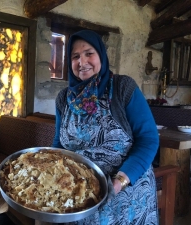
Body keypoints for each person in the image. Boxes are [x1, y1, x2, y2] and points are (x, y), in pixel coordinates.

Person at [52, 30, 159, 224]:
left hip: (126, 194)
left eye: (89, 53)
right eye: (75, 56)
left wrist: (120, 181)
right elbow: (59, 143)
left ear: (101, 55)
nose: (82, 62)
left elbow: (149, 139)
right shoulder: (63, 98)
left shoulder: (122, 88)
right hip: (80, 194)